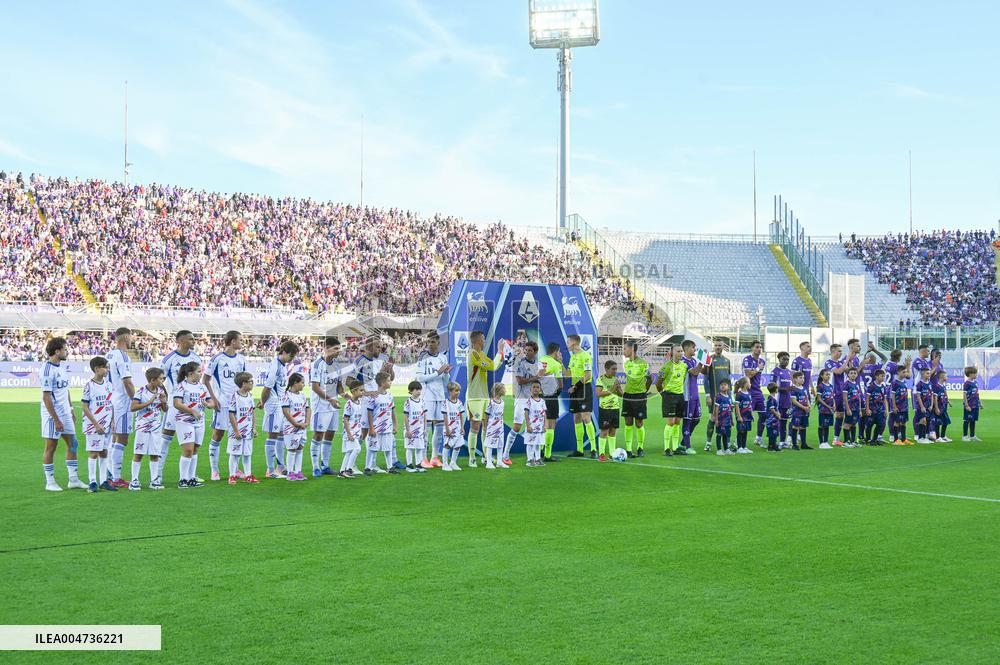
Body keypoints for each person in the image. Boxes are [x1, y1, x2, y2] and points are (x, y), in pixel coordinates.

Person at [40, 336, 85, 492]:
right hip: (52, 415)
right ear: (57, 351)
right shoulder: (47, 370)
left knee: (73, 444)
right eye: (65, 349)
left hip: (65, 413)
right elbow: (46, 397)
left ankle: (73, 480)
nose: (67, 352)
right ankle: (50, 482)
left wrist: (71, 409)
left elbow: (66, 390)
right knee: (51, 447)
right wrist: (56, 419)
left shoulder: (62, 367)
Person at [157, 330, 202, 483]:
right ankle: (157, 475)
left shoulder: (196, 358)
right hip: (175, 405)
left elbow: (198, 381)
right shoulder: (169, 358)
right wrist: (166, 396)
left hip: (193, 405)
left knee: (194, 443)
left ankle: (190, 476)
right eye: (191, 339)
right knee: (166, 439)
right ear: (181, 341)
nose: (194, 341)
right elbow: (159, 379)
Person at [204, 330, 246, 481]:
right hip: (222, 403)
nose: (242, 342)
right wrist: (214, 398)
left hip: (238, 403)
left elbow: (243, 381)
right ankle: (214, 470)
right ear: (233, 341)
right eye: (240, 340)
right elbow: (205, 379)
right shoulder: (217, 358)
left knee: (237, 434)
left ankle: (235, 469)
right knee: (218, 434)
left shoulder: (241, 359)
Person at [261, 340, 299, 479]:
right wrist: (263, 402)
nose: (292, 359)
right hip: (273, 406)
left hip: (280, 405)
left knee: (281, 434)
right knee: (272, 435)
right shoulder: (275, 366)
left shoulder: (282, 366)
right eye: (291, 356)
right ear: (283, 352)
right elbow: (267, 387)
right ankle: (270, 470)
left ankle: (281, 467)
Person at [310, 336, 347, 477]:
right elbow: (315, 387)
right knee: (318, 434)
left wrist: (346, 396)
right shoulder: (317, 364)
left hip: (333, 404)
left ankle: (325, 465)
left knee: (330, 434)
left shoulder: (337, 365)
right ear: (326, 348)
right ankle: (315, 467)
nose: (339, 351)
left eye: (339, 348)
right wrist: (330, 399)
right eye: (336, 348)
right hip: (321, 405)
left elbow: (339, 386)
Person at [356, 337, 395, 470]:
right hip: (366, 402)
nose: (380, 349)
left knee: (375, 432)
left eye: (381, 346)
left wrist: (390, 368)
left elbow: (390, 377)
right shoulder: (360, 361)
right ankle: (352, 463)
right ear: (369, 347)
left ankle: (372, 464)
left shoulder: (381, 360)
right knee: (364, 432)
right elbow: (350, 382)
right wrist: (365, 393)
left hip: (378, 401)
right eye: (378, 347)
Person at [465, 331, 503, 466]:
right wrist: (499, 351)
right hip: (474, 397)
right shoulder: (473, 354)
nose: (485, 340)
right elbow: (492, 366)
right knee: (475, 426)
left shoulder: (481, 354)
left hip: (484, 396)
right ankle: (472, 458)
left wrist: (501, 356)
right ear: (476, 340)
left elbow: (494, 365)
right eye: (483, 338)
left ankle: (486, 457)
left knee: (487, 427)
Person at [173, 361, 211, 488]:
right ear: (190, 373)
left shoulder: (202, 387)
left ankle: (191, 478)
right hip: (184, 421)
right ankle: (182, 479)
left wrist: (208, 405)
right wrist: (192, 411)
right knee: (188, 450)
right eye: (199, 371)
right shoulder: (181, 386)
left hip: (199, 422)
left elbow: (211, 402)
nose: (201, 373)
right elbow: (177, 403)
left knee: (195, 449)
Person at [504, 341, 544, 463]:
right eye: (525, 350)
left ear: (535, 352)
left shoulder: (538, 365)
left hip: (533, 400)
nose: (527, 352)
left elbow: (539, 382)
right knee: (517, 427)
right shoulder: (519, 363)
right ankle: (505, 455)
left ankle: (533, 458)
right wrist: (535, 377)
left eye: (530, 350)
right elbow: (520, 381)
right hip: (522, 399)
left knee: (533, 427)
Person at [416, 332, 451, 468]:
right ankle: (423, 458)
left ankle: (435, 457)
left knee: (439, 428)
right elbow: (420, 378)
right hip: (427, 397)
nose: (430, 344)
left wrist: (446, 373)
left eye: (433, 342)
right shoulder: (422, 357)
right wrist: (438, 372)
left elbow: (446, 381)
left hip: (440, 396)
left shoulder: (443, 358)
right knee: (425, 428)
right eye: (428, 342)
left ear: (438, 343)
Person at [130, 367, 168, 490]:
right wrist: (150, 402)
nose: (163, 381)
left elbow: (165, 410)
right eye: (161, 379)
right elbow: (133, 407)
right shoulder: (141, 391)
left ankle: (154, 480)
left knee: (155, 454)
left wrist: (163, 402)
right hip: (142, 426)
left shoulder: (161, 390)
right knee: (139, 453)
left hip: (156, 427)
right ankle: (134, 480)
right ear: (152, 380)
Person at [107, 327, 135, 488]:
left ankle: (110, 473)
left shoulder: (109, 354)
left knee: (114, 437)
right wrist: (135, 400)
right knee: (122, 438)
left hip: (110, 400)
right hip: (122, 402)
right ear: (125, 337)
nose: (132, 340)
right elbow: (127, 381)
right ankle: (116, 477)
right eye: (130, 337)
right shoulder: (123, 356)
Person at [82, 356, 116, 492]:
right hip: (94, 426)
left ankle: (103, 481)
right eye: (105, 367)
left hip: (106, 425)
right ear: (97, 369)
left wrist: (112, 421)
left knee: (104, 452)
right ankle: (92, 482)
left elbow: (111, 404)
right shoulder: (89, 385)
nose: (107, 370)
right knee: (93, 453)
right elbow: (85, 407)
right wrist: (96, 424)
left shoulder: (108, 385)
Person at [566, 334, 596, 457]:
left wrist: (575, 386)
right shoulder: (572, 357)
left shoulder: (586, 356)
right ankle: (579, 450)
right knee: (577, 418)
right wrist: (560, 363)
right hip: (574, 389)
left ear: (574, 343)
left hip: (583, 388)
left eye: (568, 342)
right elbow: (567, 375)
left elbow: (588, 375)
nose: (567, 344)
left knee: (586, 416)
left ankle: (593, 449)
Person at [537, 342, 568, 461]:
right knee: (551, 425)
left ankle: (540, 450)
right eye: (559, 352)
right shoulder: (556, 364)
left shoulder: (540, 361)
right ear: (556, 351)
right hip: (551, 396)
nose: (559, 354)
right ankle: (548, 455)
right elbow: (560, 384)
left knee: (543, 424)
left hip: (540, 396)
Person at [227, 371, 259, 484]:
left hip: (248, 430)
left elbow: (252, 413)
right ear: (244, 383)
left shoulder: (250, 396)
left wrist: (254, 428)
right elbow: (231, 414)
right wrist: (236, 431)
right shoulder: (235, 397)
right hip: (237, 431)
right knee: (235, 453)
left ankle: (248, 475)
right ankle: (232, 475)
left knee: (247, 453)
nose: (252, 383)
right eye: (251, 381)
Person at [622, 341, 652, 457]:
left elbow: (649, 379)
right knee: (628, 422)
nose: (624, 351)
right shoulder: (626, 364)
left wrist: (644, 391)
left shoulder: (643, 364)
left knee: (639, 423)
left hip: (639, 396)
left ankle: (640, 448)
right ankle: (628, 450)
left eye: (625, 348)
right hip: (628, 395)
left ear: (632, 349)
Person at [656, 345, 687, 456]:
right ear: (672, 352)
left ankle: (675, 448)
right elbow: (658, 383)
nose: (680, 353)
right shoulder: (666, 366)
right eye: (678, 351)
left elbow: (682, 380)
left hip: (680, 396)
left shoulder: (684, 366)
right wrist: (664, 395)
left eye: (682, 351)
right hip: (669, 396)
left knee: (677, 422)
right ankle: (666, 448)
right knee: (671, 422)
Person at [366, 371, 398, 475]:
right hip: (376, 428)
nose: (390, 382)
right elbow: (369, 412)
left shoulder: (390, 395)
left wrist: (395, 425)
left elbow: (393, 411)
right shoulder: (374, 396)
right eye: (389, 381)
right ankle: (368, 468)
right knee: (372, 448)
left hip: (387, 427)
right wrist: (371, 428)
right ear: (383, 383)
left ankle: (390, 467)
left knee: (388, 448)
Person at [281, 372, 309, 481]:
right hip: (291, 427)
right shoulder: (286, 395)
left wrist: (307, 422)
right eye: (302, 382)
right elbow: (286, 412)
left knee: (300, 448)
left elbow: (308, 409)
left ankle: (298, 471)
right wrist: (296, 424)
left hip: (302, 427)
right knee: (291, 449)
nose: (303, 385)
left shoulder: (302, 396)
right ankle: (290, 472)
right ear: (295, 383)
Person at [679, 340, 704, 453]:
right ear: (686, 348)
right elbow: (694, 372)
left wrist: (705, 361)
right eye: (693, 347)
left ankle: (683, 443)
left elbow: (699, 371)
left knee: (696, 419)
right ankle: (687, 447)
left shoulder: (693, 360)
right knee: (687, 420)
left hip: (695, 394)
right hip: (687, 396)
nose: (695, 349)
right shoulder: (683, 361)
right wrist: (702, 362)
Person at [595, 359, 623, 462]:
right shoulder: (600, 379)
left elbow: (621, 394)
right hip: (605, 409)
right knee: (604, 431)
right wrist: (612, 390)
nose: (615, 371)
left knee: (613, 432)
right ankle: (601, 454)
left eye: (616, 369)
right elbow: (598, 394)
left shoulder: (616, 379)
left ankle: (612, 454)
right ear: (606, 369)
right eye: (613, 369)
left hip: (615, 408)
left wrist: (619, 389)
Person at [741, 340, 767, 446]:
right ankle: (740, 442)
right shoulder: (747, 359)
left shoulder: (762, 361)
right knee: (746, 416)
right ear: (752, 348)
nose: (759, 349)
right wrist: (757, 368)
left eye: (760, 347)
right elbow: (749, 375)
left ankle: (758, 438)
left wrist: (758, 368)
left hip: (758, 391)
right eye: (756, 347)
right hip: (748, 391)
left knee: (764, 414)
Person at [339, 378, 366, 478]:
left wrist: (361, 431)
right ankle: (349, 469)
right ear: (354, 391)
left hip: (356, 431)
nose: (363, 392)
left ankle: (342, 472)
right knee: (357, 449)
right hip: (350, 432)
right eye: (361, 390)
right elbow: (345, 419)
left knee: (349, 451)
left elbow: (358, 419)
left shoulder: (359, 402)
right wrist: (349, 433)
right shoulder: (349, 404)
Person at [403, 380, 429, 473]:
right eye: (416, 389)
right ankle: (409, 465)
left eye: (420, 389)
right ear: (411, 391)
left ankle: (419, 464)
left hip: (420, 428)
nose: (419, 391)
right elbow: (405, 416)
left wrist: (425, 428)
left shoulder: (422, 401)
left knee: (419, 447)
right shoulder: (408, 402)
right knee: (409, 447)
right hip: (410, 429)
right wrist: (408, 430)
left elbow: (424, 415)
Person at [442, 381, 466, 471]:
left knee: (458, 446)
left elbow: (461, 415)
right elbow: (445, 416)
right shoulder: (446, 403)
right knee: (447, 445)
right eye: (456, 390)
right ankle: (445, 464)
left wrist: (462, 427)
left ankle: (453, 463)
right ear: (450, 391)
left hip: (458, 428)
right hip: (449, 428)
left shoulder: (459, 402)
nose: (458, 392)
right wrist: (447, 429)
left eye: (459, 390)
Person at [483, 383, 507, 469]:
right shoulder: (491, 402)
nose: (505, 390)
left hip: (500, 427)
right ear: (498, 390)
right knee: (490, 444)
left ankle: (499, 462)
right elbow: (486, 415)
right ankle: (489, 462)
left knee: (500, 444)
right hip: (492, 427)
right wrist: (485, 426)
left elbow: (501, 415)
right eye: (504, 389)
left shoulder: (502, 402)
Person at [524, 380, 548, 467]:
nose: (535, 389)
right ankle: (529, 459)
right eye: (534, 387)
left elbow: (544, 414)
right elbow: (526, 413)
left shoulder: (542, 401)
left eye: (537, 387)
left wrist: (545, 425)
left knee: (538, 443)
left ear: (540, 389)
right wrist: (528, 425)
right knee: (530, 443)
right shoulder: (529, 401)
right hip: (532, 426)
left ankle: (538, 459)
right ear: (530, 389)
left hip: (540, 427)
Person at [772, 352, 792, 448]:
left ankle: (782, 442)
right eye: (784, 359)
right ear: (779, 359)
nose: (786, 361)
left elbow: (791, 387)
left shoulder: (789, 372)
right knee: (776, 422)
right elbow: (772, 387)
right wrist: (786, 389)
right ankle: (774, 442)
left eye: (787, 359)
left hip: (787, 402)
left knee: (784, 422)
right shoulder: (775, 372)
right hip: (778, 401)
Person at [711, 378, 733, 456]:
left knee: (725, 434)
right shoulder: (719, 397)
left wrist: (732, 420)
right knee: (719, 434)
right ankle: (719, 450)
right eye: (721, 385)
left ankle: (726, 449)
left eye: (725, 385)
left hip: (727, 420)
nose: (723, 386)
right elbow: (716, 408)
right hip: (720, 420)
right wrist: (716, 419)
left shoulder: (729, 397)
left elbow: (730, 409)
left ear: (728, 387)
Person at [789, 371, 811, 450]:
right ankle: (794, 444)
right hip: (797, 412)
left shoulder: (804, 388)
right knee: (795, 426)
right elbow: (794, 401)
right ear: (795, 379)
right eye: (800, 378)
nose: (802, 379)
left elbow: (806, 398)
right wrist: (804, 407)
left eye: (803, 378)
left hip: (804, 412)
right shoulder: (793, 389)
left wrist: (809, 405)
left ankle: (803, 444)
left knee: (803, 427)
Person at [867, 369, 889, 445]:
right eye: (882, 376)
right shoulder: (871, 386)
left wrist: (886, 410)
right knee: (869, 424)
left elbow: (885, 399)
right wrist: (867, 409)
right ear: (876, 376)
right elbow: (867, 398)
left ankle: (874, 439)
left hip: (880, 410)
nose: (883, 378)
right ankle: (868, 440)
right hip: (872, 409)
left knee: (881, 424)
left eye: (884, 376)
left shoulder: (883, 387)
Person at [842, 367, 863, 447]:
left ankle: (853, 441)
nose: (853, 375)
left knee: (854, 424)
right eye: (851, 373)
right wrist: (848, 409)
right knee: (847, 424)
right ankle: (846, 442)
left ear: (857, 375)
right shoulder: (846, 384)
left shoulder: (857, 384)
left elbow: (859, 397)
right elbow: (845, 397)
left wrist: (860, 410)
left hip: (856, 408)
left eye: (855, 373)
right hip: (850, 408)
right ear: (848, 375)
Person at [890, 367, 912, 445]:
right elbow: (893, 395)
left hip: (904, 406)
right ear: (898, 373)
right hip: (898, 406)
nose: (905, 374)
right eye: (903, 372)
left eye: (906, 372)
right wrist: (894, 406)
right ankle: (896, 440)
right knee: (897, 422)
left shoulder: (904, 382)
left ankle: (903, 439)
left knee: (903, 422)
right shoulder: (895, 383)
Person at [912, 367, 933, 443]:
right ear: (923, 374)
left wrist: (931, 405)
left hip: (928, 406)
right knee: (922, 420)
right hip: (921, 406)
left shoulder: (929, 383)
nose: (929, 375)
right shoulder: (919, 384)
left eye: (929, 373)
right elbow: (918, 396)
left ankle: (924, 437)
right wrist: (922, 406)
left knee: (926, 421)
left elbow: (931, 394)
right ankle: (920, 438)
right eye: (927, 373)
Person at [733, 377, 754, 454]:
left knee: (745, 431)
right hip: (742, 416)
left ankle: (744, 447)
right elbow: (737, 406)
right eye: (749, 382)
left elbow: (749, 405)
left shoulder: (749, 394)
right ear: (745, 384)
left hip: (747, 416)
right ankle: (739, 447)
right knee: (740, 431)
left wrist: (752, 414)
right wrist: (739, 416)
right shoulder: (739, 394)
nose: (750, 384)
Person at [816, 369, 835, 449]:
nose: (828, 376)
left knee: (827, 425)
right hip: (823, 409)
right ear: (822, 376)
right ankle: (821, 443)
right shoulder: (820, 386)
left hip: (830, 409)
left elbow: (832, 397)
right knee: (822, 425)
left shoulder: (831, 386)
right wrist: (827, 406)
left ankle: (826, 442)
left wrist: (834, 404)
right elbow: (819, 398)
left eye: (829, 374)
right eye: (826, 374)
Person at [931, 370, 951, 442]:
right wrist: (936, 408)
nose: (947, 377)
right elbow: (935, 397)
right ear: (942, 377)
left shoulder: (943, 386)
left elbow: (945, 394)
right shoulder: (936, 386)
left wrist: (948, 401)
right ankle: (938, 437)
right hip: (939, 407)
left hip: (944, 407)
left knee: (945, 421)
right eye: (946, 376)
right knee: (938, 422)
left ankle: (943, 436)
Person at [962, 367, 981, 441]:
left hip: (975, 405)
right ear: (970, 374)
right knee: (967, 420)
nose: (976, 374)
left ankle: (972, 436)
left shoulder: (975, 382)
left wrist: (980, 402)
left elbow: (977, 394)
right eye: (975, 373)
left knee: (973, 420)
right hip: (969, 405)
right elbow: (964, 394)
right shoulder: (967, 383)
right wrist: (966, 405)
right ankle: (964, 436)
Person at [764, 383, 781, 451]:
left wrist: (778, 413)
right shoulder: (771, 398)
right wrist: (777, 414)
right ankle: (770, 446)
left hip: (775, 419)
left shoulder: (773, 398)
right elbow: (772, 409)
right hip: (771, 419)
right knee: (771, 432)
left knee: (775, 432)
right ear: (775, 389)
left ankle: (774, 445)